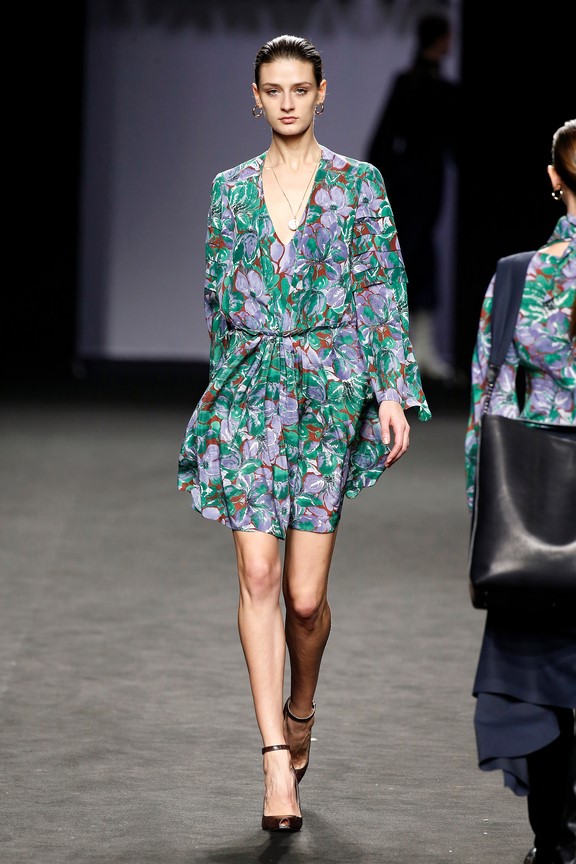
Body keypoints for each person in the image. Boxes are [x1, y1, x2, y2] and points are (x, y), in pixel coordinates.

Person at [178, 34, 431, 832]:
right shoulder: (228, 191)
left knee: (305, 597)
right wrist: (225, 396)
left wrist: (391, 392)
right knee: (258, 575)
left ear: (322, 93)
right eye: (273, 89)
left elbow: (383, 289)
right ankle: (273, 762)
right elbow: (218, 296)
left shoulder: (360, 185)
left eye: (299, 88)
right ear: (255, 98)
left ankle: (302, 706)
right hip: (251, 394)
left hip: (326, 396)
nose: (287, 102)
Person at [464, 119, 576, 864]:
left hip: (538, 517)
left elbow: (490, 414)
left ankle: (557, 844)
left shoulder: (518, 279)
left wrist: (484, 523)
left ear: (553, 179)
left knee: (544, 681)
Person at [366, 13, 460, 381]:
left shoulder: (430, 86)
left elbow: (383, 141)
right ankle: (402, 353)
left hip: (418, 186)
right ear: (440, 40)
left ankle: (418, 351)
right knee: (408, 261)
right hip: (412, 187)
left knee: (416, 260)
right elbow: (384, 139)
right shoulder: (416, 84)